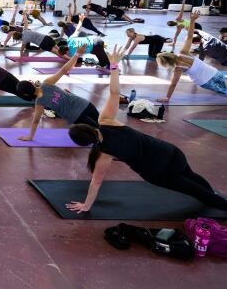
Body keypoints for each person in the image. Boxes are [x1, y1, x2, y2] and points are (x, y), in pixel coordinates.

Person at [65, 46, 227, 214]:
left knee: (196, 191)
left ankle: (217, 200)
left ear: (84, 143)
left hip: (158, 171)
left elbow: (96, 183)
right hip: (170, 152)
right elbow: (114, 93)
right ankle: (213, 195)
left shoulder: (103, 154)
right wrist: (114, 66)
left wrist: (86, 205)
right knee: (192, 177)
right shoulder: (105, 121)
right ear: (87, 126)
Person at [16, 44, 96, 141]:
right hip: (85, 104)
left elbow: (36, 121)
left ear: (26, 94)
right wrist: (77, 54)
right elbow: (64, 70)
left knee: (99, 132)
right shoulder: (46, 83)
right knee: (106, 125)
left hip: (77, 116)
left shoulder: (39, 103)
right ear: (31, 84)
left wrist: (30, 136)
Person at [157, 12, 227, 102]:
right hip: (214, 73)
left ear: (166, 63)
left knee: (224, 91)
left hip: (205, 81)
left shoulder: (177, 69)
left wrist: (167, 97)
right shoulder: (184, 52)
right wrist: (193, 20)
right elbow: (190, 36)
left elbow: (173, 84)